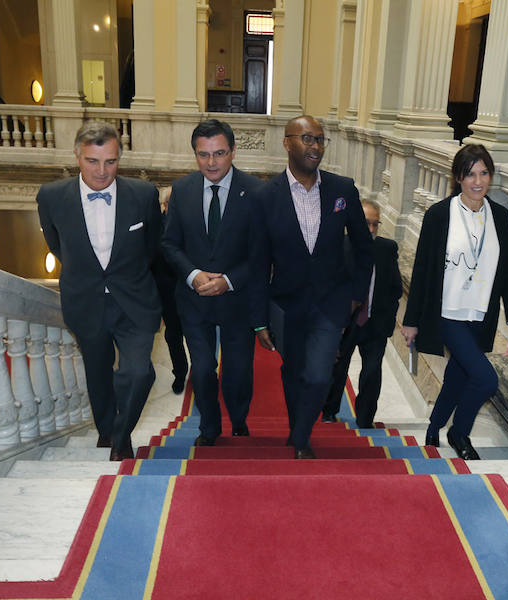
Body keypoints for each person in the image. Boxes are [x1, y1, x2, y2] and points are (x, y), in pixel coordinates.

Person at [36, 120, 162, 462]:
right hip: (85, 301)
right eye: (92, 161)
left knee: (138, 372)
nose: (102, 171)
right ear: (77, 156)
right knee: (98, 373)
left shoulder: (143, 195)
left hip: (135, 300)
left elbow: (152, 247)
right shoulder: (51, 197)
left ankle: (121, 436)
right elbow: (57, 245)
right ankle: (107, 432)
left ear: (120, 158)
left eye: (111, 161)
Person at [249, 115, 373, 459]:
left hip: (331, 303)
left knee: (319, 375)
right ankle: (297, 431)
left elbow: (364, 248)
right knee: (293, 372)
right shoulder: (264, 197)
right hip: (285, 304)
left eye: (320, 139)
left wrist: (357, 295)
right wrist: (259, 320)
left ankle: (301, 437)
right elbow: (257, 263)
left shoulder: (342, 189)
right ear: (286, 143)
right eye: (307, 138)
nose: (315, 146)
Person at [401, 144, 508, 460]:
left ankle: (434, 426)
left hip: (480, 314)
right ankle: (459, 432)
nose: (477, 182)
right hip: (447, 312)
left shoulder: (501, 217)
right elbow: (423, 269)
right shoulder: (440, 215)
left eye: (484, 173)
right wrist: (411, 320)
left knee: (458, 377)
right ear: (458, 177)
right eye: (470, 174)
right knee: (485, 379)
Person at [161, 119, 261, 446]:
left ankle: (239, 418)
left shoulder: (257, 191)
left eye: (219, 153)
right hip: (194, 299)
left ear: (233, 151)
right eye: (203, 154)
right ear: (195, 154)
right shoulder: (182, 190)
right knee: (202, 368)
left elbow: (263, 252)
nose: (211, 162)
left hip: (237, 300)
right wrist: (193, 275)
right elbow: (169, 244)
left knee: (238, 372)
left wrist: (229, 281)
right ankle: (209, 427)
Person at [323, 200, 402, 428]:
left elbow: (395, 288)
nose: (371, 229)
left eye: (375, 224)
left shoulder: (387, 249)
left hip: (375, 323)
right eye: (366, 223)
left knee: (372, 372)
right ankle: (329, 412)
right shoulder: (338, 247)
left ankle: (365, 419)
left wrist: (388, 317)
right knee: (338, 368)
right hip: (345, 322)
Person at [152, 188, 189, 395]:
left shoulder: (191, 223)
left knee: (196, 334)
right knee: (174, 335)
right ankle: (180, 373)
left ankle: (203, 371)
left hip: (191, 289)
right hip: (166, 292)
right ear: (165, 205)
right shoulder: (154, 225)